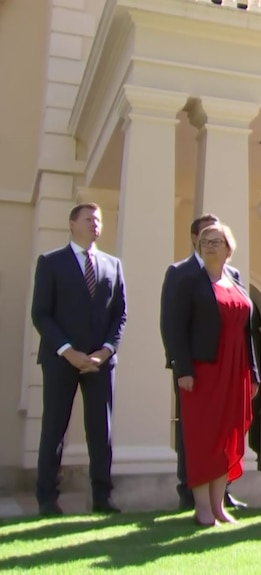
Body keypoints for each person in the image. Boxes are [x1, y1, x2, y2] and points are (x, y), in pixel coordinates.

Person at [31, 203, 126, 516]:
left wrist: (106, 350)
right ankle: (47, 498)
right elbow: (41, 314)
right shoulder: (51, 262)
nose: (95, 224)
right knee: (54, 428)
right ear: (73, 224)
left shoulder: (113, 265)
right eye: (88, 219)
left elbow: (120, 314)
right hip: (61, 360)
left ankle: (102, 497)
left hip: (100, 363)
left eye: (98, 219)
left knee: (101, 431)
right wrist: (68, 351)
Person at [170, 223, 259, 526]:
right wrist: (183, 369)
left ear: (228, 247)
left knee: (225, 437)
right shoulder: (187, 279)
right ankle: (202, 508)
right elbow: (175, 328)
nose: (209, 245)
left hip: (236, 370)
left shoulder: (234, 278)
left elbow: (247, 332)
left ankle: (219, 506)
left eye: (216, 241)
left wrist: (253, 373)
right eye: (205, 241)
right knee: (202, 439)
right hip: (203, 370)